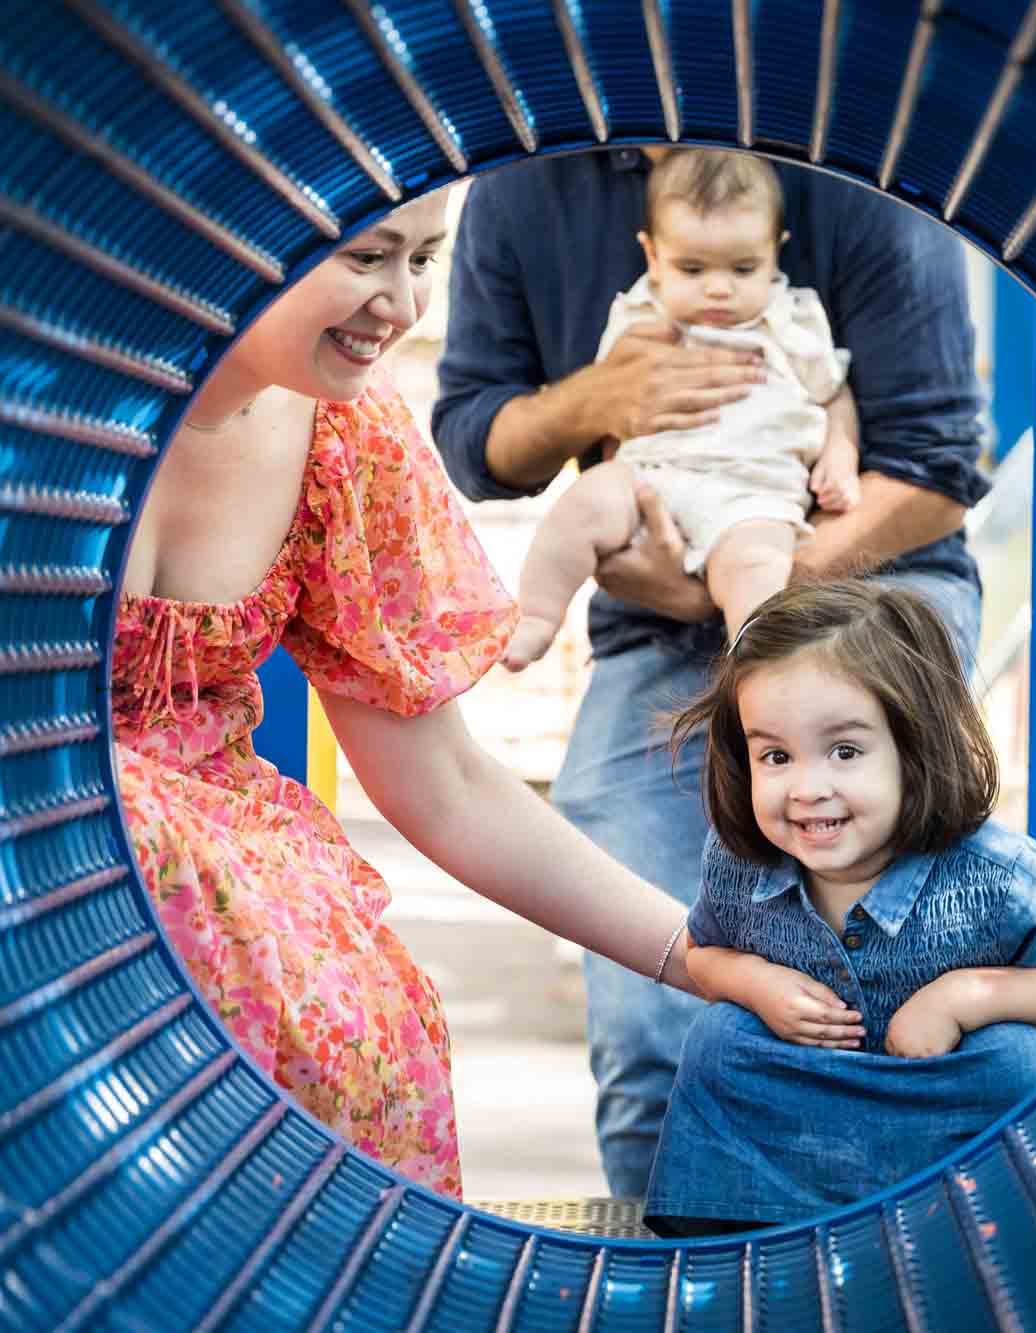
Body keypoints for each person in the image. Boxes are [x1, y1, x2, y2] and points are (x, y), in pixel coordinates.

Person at [112, 190, 695, 1200]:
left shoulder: (343, 436)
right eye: (367, 258)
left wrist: (695, 954)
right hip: (37, 840)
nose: (400, 300)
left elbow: (449, 781)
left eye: (422, 259)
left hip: (225, 857)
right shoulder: (32, 405)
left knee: (363, 1022)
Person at [434, 146, 992, 1198]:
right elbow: (477, 435)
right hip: (653, 601)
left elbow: (936, 469)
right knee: (658, 1022)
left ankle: (871, 1243)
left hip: (862, 585)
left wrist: (757, 585)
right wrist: (593, 398)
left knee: (864, 980)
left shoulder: (855, 165)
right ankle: (671, 1251)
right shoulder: (528, 180)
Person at [644, 580, 1036, 1233]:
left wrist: (963, 996)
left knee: (1022, 1060)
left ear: (914, 749)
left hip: (944, 1107)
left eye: (845, 751)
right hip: (808, 1110)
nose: (808, 788)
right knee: (721, 1039)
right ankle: (734, 1236)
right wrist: (758, 983)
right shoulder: (740, 862)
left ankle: (1001, 1221)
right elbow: (702, 953)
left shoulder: (995, 873)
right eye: (775, 755)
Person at [503, 150, 861, 669]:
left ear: (775, 252)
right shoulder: (638, 312)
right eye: (691, 268)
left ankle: (752, 676)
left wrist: (840, 455)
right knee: (583, 505)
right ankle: (536, 614)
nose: (719, 286)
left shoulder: (793, 317)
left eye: (744, 268)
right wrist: (615, 471)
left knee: (758, 568)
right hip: (650, 480)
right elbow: (610, 415)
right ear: (652, 256)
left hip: (751, 494)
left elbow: (832, 394)